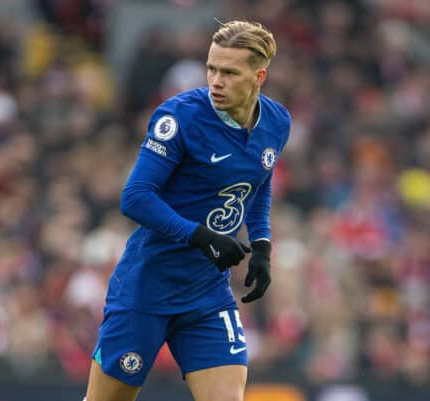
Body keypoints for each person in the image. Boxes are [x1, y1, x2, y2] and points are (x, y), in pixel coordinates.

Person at [84, 20, 290, 401]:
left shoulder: (277, 122)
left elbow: (258, 183)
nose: (216, 81)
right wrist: (200, 236)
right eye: (212, 68)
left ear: (259, 76)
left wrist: (261, 246)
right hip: (147, 288)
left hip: (206, 292)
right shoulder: (179, 117)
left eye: (229, 72)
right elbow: (135, 197)